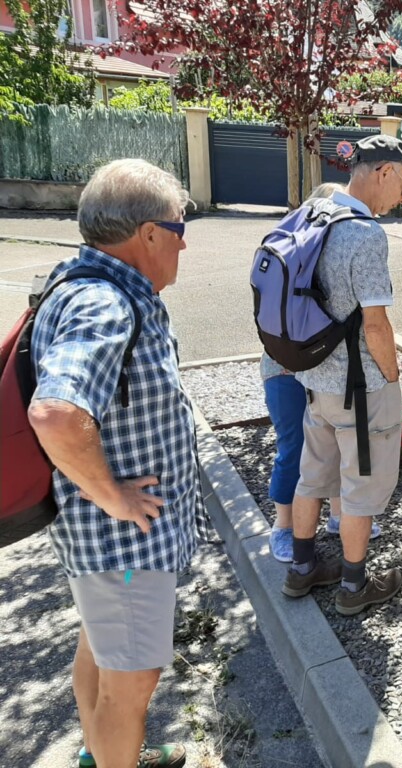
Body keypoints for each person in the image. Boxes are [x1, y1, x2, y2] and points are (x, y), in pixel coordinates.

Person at [28, 159, 205, 768]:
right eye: (181, 227)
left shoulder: (90, 284)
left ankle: (102, 753)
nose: (184, 241)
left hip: (106, 545)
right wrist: (115, 498)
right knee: (130, 682)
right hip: (122, 545)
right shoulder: (105, 303)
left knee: (103, 654)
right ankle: (113, 751)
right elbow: (54, 413)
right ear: (150, 235)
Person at [283, 135, 402, 615]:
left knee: (312, 477)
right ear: (385, 171)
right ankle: (353, 586)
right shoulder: (366, 234)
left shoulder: (309, 216)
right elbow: (376, 323)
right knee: (360, 488)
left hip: (314, 381)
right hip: (359, 388)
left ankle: (302, 570)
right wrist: (391, 378)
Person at [263, 183, 378, 563]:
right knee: (295, 446)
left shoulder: (321, 249)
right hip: (286, 367)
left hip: (318, 364)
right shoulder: (296, 250)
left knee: (329, 445)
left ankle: (338, 514)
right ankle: (282, 527)